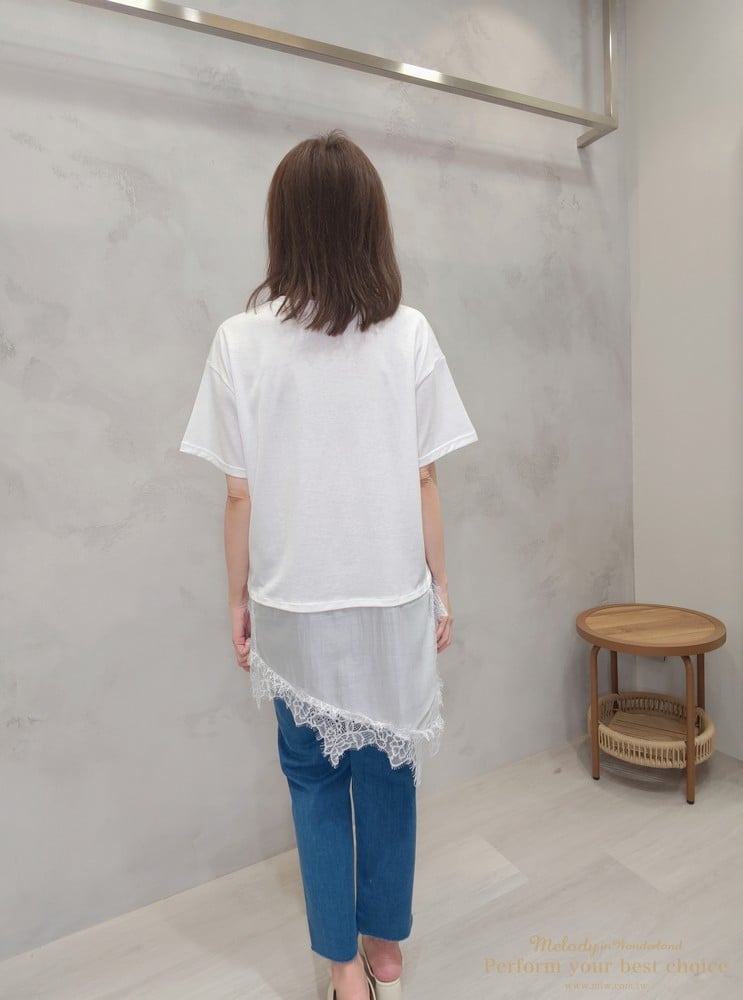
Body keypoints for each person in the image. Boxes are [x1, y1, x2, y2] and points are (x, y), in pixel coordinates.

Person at [179, 129, 478, 1000]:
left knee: (313, 782)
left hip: (293, 605)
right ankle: (385, 949)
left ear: (284, 225)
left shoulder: (238, 342)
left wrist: (235, 599)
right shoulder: (409, 334)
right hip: (390, 598)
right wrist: (441, 587)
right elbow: (424, 478)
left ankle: (343, 971)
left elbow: (239, 496)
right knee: (389, 774)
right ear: (369, 223)